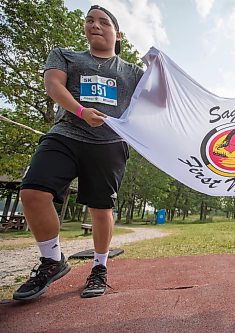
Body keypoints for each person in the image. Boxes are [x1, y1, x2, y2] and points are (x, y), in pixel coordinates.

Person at [13, 5, 143, 300]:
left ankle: (99, 267)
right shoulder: (66, 55)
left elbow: (160, 98)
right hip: (66, 134)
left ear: (117, 33)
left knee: (101, 209)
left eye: (103, 22)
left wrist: (159, 66)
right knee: (32, 192)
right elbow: (53, 83)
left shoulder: (133, 72)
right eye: (90, 21)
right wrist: (82, 111)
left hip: (109, 144)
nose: (95, 25)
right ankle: (51, 261)